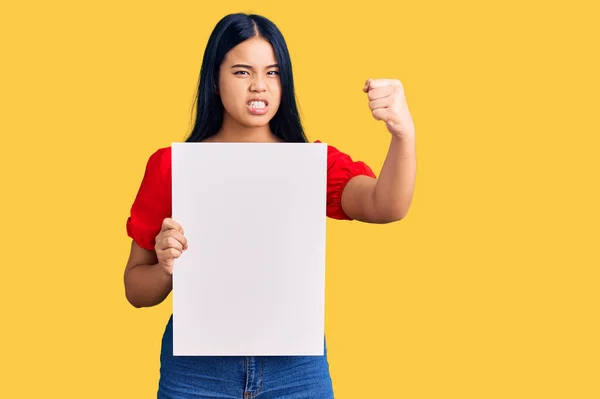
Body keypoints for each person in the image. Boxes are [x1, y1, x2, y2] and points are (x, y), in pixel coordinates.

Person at [124, 12, 416, 399]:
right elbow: (135, 289)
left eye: (273, 72)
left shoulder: (312, 164)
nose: (259, 86)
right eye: (242, 72)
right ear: (215, 79)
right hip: (198, 372)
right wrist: (165, 268)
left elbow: (386, 205)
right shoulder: (172, 165)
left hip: (295, 369)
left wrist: (403, 134)